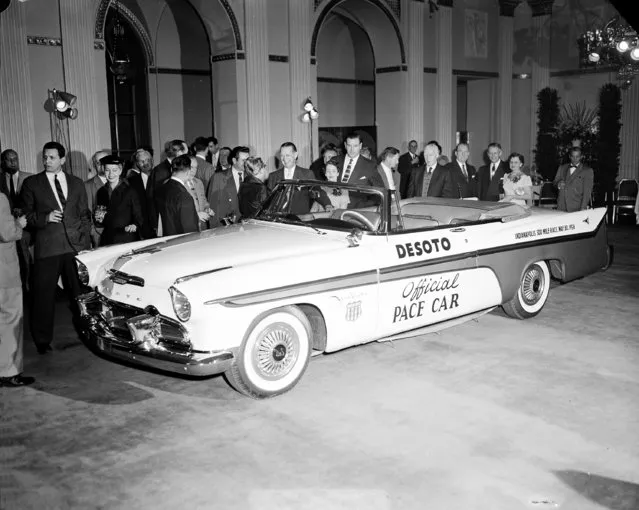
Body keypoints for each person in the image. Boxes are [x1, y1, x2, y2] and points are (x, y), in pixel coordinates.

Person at [20, 141, 91, 355]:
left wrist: (84, 242)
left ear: (62, 159)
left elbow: (84, 215)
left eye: (52, 157)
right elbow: (25, 215)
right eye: (45, 157)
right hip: (48, 247)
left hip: (74, 247)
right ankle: (42, 340)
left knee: (80, 295)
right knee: (43, 296)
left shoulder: (77, 183)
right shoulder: (32, 183)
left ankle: (88, 333)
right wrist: (45, 217)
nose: (47, 161)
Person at [0, 193, 35, 387]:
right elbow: (7, 233)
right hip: (4, 272)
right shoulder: (0, 199)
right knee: (10, 319)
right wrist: (18, 223)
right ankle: (9, 373)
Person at [268, 142, 333, 215]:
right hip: (278, 219)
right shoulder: (273, 176)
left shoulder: (307, 174)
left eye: (287, 155)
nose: (284, 159)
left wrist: (327, 204)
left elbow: (317, 191)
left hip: (301, 218)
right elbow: (268, 200)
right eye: (282, 155)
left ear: (295, 155)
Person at [0, 149, 33, 290]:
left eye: (16, 159)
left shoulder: (30, 178)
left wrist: (23, 211)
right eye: (9, 159)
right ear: (3, 162)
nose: (13, 162)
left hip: (27, 226)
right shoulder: (0, 179)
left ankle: (28, 286)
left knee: (26, 256)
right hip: (6, 227)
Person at [95, 155, 144, 245]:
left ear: (120, 171)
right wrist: (98, 218)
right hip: (108, 239)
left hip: (127, 238)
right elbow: (100, 219)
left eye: (114, 170)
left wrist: (135, 225)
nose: (110, 174)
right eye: (107, 170)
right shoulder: (101, 192)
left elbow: (139, 216)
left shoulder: (130, 191)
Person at [147, 139, 187, 236]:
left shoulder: (173, 167)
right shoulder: (161, 171)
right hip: (165, 220)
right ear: (178, 152)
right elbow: (154, 198)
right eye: (185, 153)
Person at [158, 155, 200, 236]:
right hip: (181, 241)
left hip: (166, 237)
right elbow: (190, 229)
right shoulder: (184, 196)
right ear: (188, 172)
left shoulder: (162, 188)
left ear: (171, 170)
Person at [207, 146, 247, 227]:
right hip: (226, 226)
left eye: (248, 160)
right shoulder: (218, 177)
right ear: (234, 160)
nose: (247, 163)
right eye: (243, 160)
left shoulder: (251, 177)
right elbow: (213, 206)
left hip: (247, 227)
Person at [553, 146, 594, 212]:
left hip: (576, 207)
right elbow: (555, 182)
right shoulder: (562, 167)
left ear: (581, 157)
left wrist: (583, 208)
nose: (575, 159)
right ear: (569, 156)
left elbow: (587, 192)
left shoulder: (587, 171)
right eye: (572, 156)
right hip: (561, 206)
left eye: (577, 156)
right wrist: (558, 184)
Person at [84, 150, 110, 247]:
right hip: (100, 235)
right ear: (94, 165)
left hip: (121, 234)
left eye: (105, 161)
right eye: (99, 163)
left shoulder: (122, 182)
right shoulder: (87, 185)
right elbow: (87, 213)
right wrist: (93, 233)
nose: (102, 165)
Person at [127, 148, 152, 239]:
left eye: (148, 160)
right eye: (142, 161)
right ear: (137, 164)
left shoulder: (159, 177)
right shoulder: (131, 182)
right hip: (141, 227)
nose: (146, 163)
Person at [186, 155, 212, 230]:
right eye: (191, 167)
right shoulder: (179, 184)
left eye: (196, 167)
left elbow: (204, 201)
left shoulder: (198, 182)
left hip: (202, 227)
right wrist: (196, 215)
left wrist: (207, 209)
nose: (193, 170)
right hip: (188, 227)